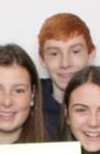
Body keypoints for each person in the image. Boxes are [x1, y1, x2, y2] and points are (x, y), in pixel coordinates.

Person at [37, 12, 96, 140]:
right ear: (42, 59)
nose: (65, 63)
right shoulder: (26, 105)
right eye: (54, 54)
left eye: (75, 52)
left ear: (91, 54)